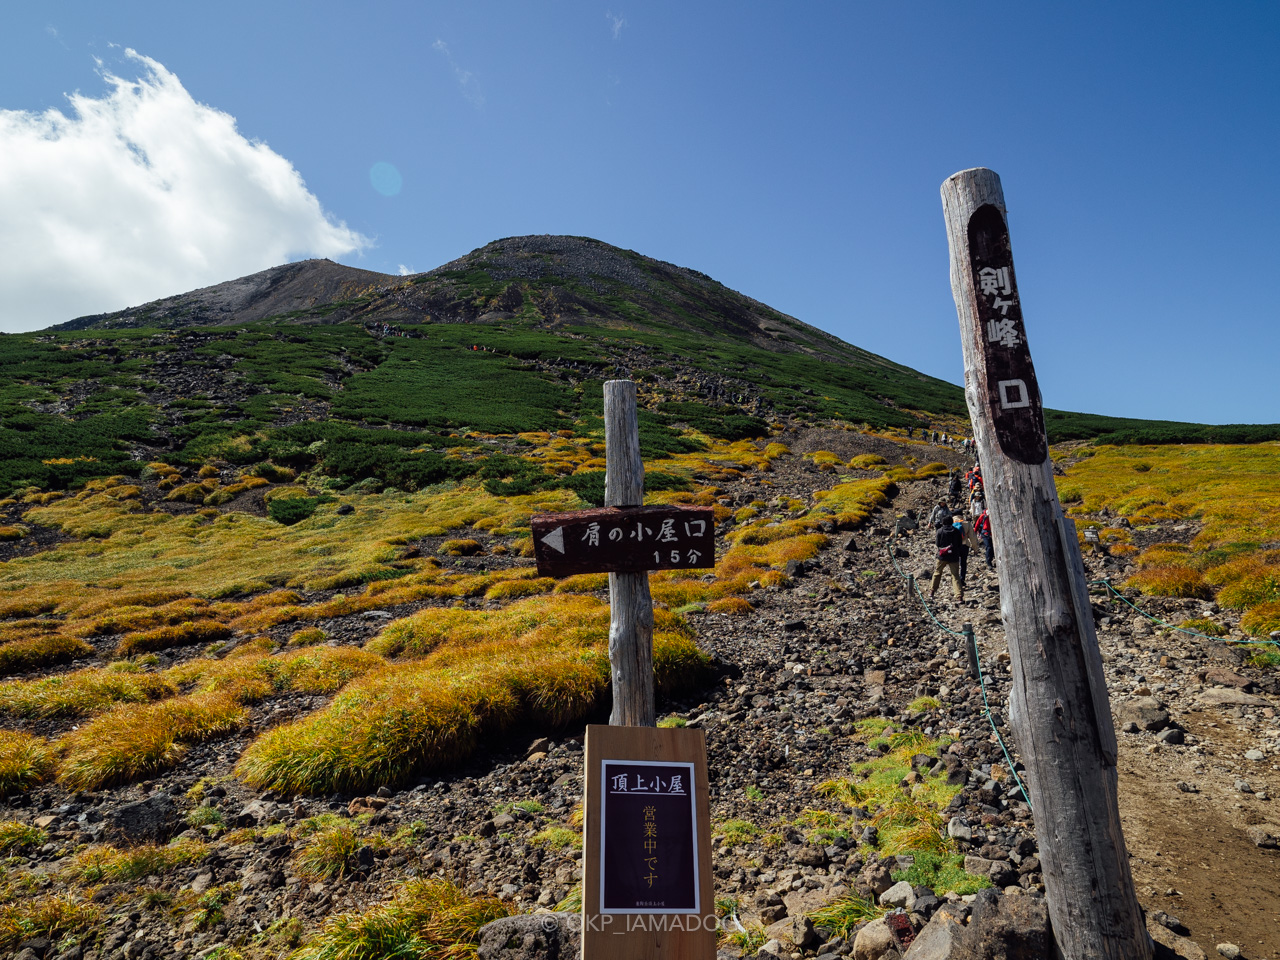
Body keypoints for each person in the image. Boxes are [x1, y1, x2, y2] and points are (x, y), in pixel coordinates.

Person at [930, 517, 965, 602]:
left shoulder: (940, 531)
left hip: (942, 555)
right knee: (955, 575)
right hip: (954, 556)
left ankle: (932, 591)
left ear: (943, 523)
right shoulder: (957, 531)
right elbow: (960, 544)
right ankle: (959, 596)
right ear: (952, 522)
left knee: (937, 572)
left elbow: (937, 544)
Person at [953, 514, 982, 589]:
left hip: (954, 546)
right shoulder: (967, 524)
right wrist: (975, 548)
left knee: (955, 564)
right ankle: (962, 579)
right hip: (964, 545)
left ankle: (956, 581)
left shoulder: (951, 523)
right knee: (963, 563)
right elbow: (972, 537)